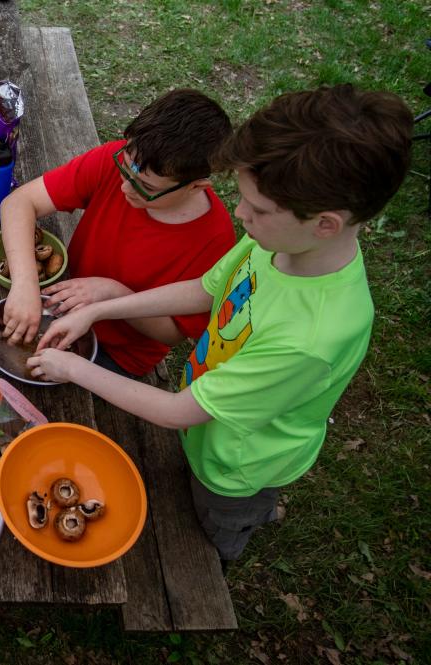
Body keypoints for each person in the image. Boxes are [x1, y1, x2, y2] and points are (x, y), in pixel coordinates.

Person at [30, 84, 413, 566]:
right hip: (210, 410)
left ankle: (241, 529)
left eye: (257, 208)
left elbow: (177, 412)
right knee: (191, 461)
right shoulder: (280, 243)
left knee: (216, 517)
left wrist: (72, 368)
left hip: (239, 461)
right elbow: (204, 289)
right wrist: (96, 309)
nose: (238, 212)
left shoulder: (310, 338)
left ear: (326, 224)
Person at [0, 89, 236, 378]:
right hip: (61, 307)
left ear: (196, 186)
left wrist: (112, 294)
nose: (125, 187)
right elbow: (19, 202)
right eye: (125, 169)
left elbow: (172, 334)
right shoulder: (122, 164)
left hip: (119, 354)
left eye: (146, 187)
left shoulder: (214, 240)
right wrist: (24, 284)